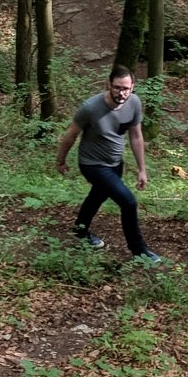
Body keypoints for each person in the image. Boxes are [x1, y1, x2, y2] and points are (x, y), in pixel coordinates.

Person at [55, 68, 162, 263]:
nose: (122, 93)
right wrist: (61, 160)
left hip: (115, 163)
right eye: (117, 88)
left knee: (97, 196)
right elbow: (71, 135)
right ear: (108, 85)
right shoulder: (90, 108)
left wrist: (142, 169)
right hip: (92, 164)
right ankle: (139, 251)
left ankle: (79, 230)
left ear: (133, 87)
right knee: (128, 202)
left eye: (126, 89)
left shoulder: (134, 103)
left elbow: (136, 136)